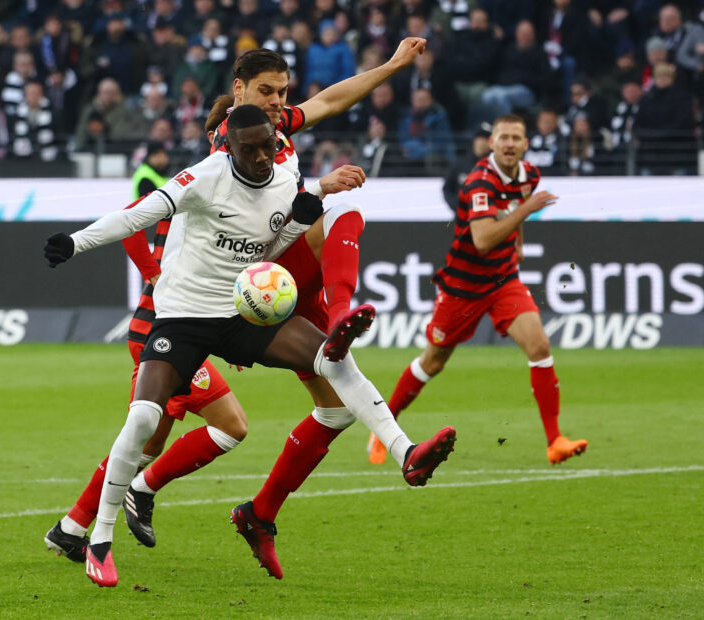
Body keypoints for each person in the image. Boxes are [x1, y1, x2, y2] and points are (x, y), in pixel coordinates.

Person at [43, 104, 456, 588]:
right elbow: (135, 215)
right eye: (250, 149)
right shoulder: (203, 177)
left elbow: (271, 242)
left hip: (242, 312)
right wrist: (75, 243)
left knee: (332, 357)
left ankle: (406, 453)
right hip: (184, 318)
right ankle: (99, 539)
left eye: (268, 146)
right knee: (144, 421)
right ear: (229, 148)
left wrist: (304, 212)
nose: (262, 157)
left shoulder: (283, 178)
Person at [44, 138, 248, 561]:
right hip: (162, 334)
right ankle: (140, 490)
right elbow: (130, 218)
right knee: (230, 426)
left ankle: (71, 528)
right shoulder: (193, 188)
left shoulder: (227, 200)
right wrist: (153, 272)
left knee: (146, 445)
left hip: (175, 330)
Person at [370, 113, 587, 467]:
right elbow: (483, 240)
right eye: (504, 137)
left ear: (525, 144)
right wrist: (527, 211)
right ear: (492, 143)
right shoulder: (479, 182)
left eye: (516, 138)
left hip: (502, 280)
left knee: (539, 345)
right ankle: (384, 429)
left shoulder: (529, 174)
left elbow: (516, 206)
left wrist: (518, 242)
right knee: (432, 362)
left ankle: (555, 441)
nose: (509, 144)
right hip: (463, 286)